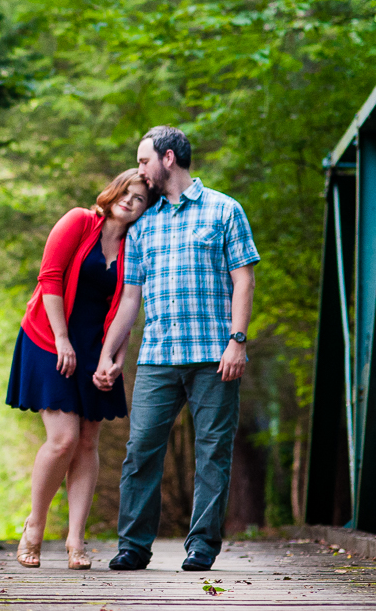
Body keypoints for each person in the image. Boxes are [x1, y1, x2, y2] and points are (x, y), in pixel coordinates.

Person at [94, 125, 259, 573]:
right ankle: (133, 547)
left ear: (168, 158)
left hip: (214, 357)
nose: (140, 169)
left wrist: (237, 342)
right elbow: (131, 297)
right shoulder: (143, 224)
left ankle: (202, 547)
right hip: (157, 359)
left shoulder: (225, 210)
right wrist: (109, 354)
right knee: (141, 449)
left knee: (212, 452)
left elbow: (244, 279)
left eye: (144, 160)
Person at [6, 169, 152, 569]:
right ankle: (34, 527)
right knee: (64, 439)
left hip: (96, 348)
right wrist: (62, 340)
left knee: (88, 441)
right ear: (113, 191)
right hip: (47, 337)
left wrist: (115, 358)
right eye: (126, 192)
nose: (129, 201)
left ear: (146, 208)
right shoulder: (78, 221)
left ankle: (76, 542)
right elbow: (49, 279)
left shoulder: (134, 246)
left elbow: (128, 305)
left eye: (140, 198)